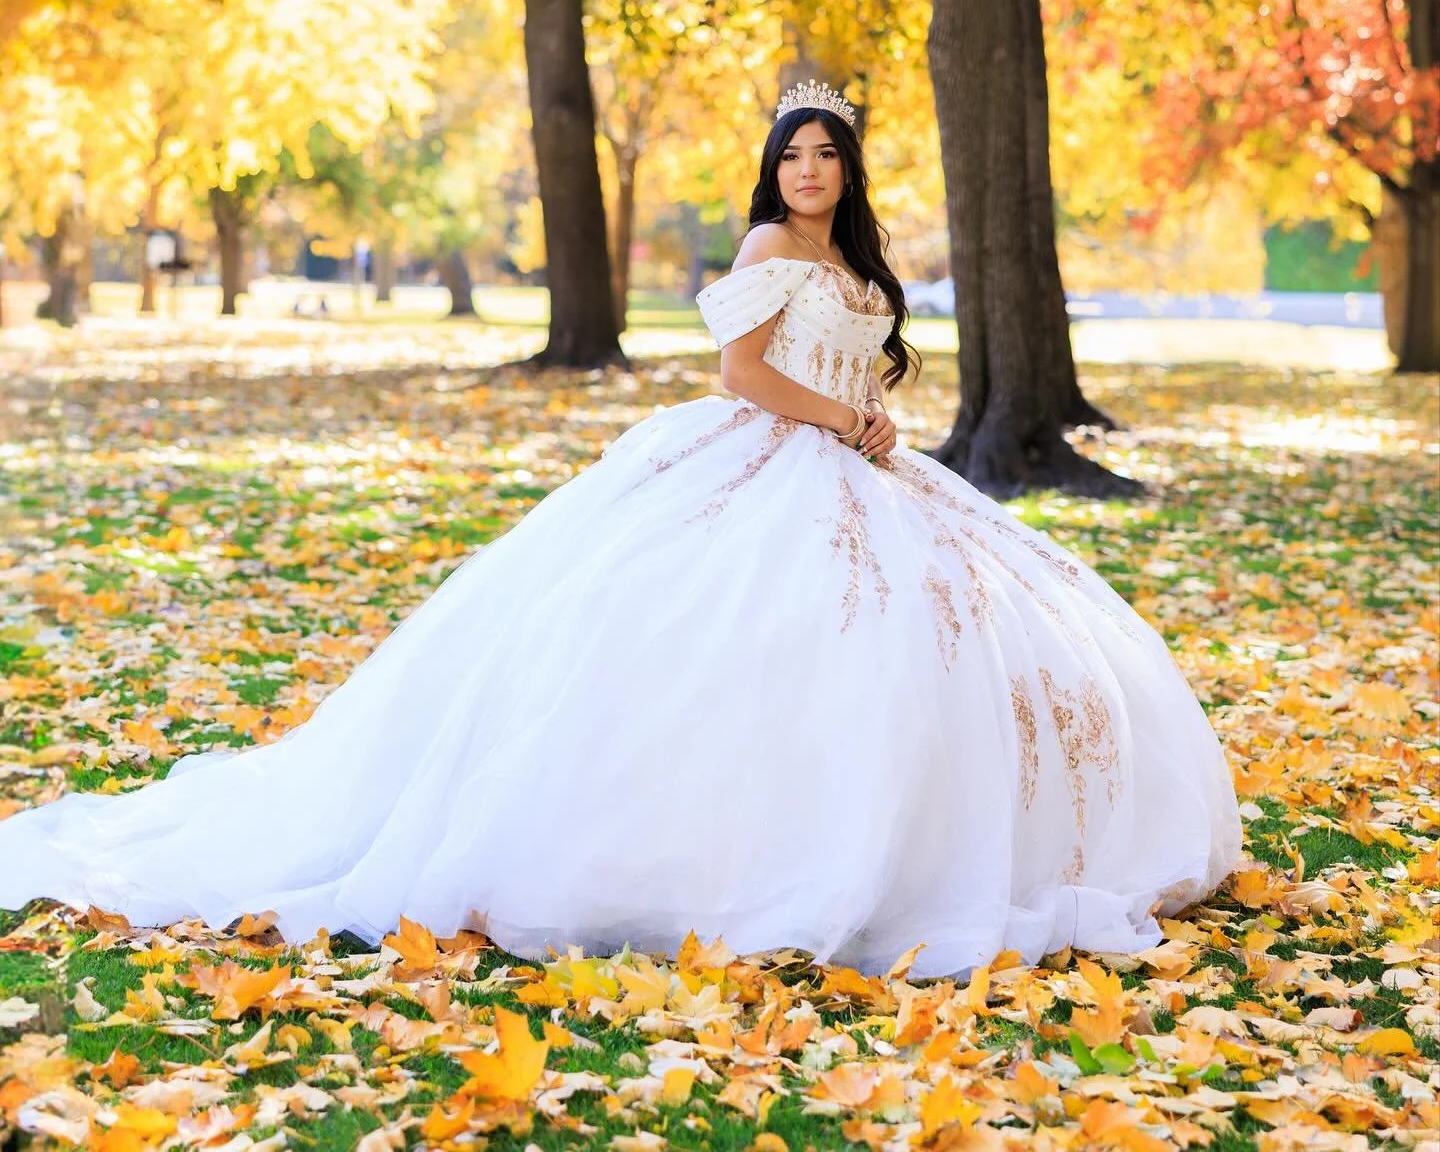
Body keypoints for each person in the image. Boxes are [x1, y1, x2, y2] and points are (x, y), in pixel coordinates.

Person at [0, 82, 1241, 977]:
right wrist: (842, 423)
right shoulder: (764, 245)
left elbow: (851, 363)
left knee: (964, 636)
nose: (809, 171)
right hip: (771, 456)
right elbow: (743, 374)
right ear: (775, 170)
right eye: (794, 155)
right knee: (723, 636)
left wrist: (875, 427)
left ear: (849, 172)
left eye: (826, 155)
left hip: (863, 464)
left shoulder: (860, 267)